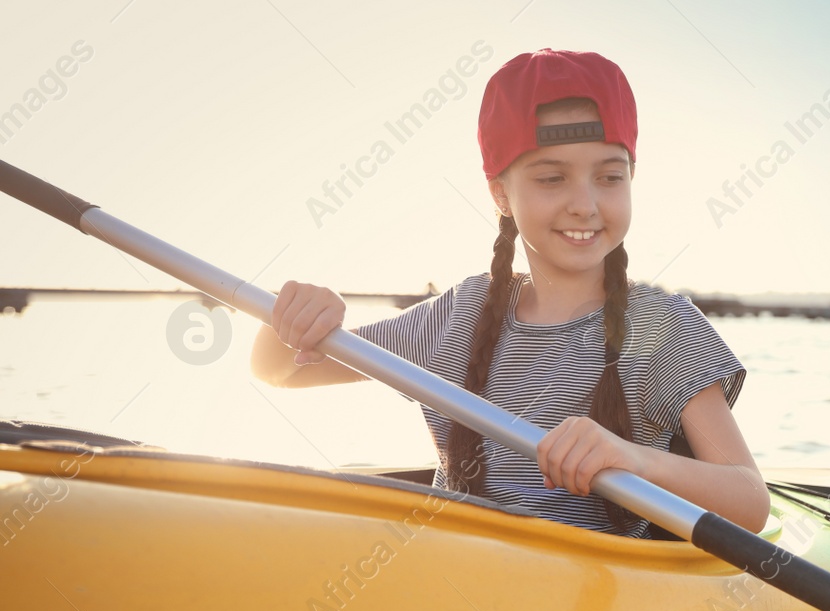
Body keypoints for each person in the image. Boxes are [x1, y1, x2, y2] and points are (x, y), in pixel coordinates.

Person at [250, 49, 769, 536]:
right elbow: (280, 370)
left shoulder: (664, 330)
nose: (585, 204)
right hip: (456, 592)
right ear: (501, 192)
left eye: (609, 177)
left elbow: (748, 501)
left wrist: (634, 459)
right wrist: (294, 319)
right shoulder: (459, 315)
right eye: (552, 179)